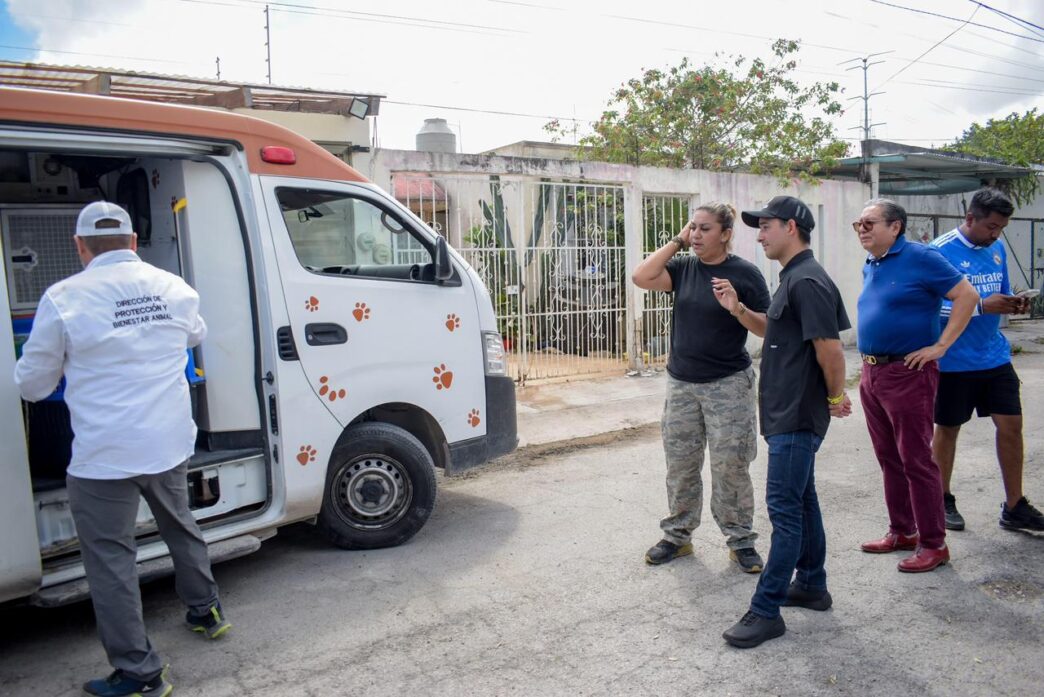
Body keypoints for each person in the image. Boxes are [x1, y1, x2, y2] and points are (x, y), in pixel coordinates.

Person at [14, 201, 230, 697]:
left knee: (111, 559)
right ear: (134, 242)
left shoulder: (63, 299)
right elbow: (194, 334)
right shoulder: (174, 287)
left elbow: (32, 385)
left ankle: (139, 672)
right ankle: (206, 611)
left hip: (104, 456)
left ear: (80, 246)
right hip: (168, 441)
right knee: (179, 523)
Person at [721, 196, 851, 649]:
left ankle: (766, 609)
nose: (759, 236)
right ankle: (812, 585)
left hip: (797, 415)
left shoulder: (807, 280)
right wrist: (738, 308)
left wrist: (835, 397)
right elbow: (774, 330)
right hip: (786, 413)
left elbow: (830, 350)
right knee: (802, 500)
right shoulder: (793, 277)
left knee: (784, 511)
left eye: (766, 226)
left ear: (791, 227)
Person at [632, 203, 771, 573]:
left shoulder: (745, 273)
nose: (695, 234)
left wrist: (737, 308)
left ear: (725, 234)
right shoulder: (684, 268)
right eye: (692, 227)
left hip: (728, 385)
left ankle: (740, 540)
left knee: (731, 466)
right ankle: (678, 536)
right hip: (682, 385)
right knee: (681, 464)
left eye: (704, 229)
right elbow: (642, 277)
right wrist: (678, 241)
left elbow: (768, 328)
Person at [854, 199, 979, 574]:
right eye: (858, 223)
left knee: (916, 460)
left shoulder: (922, 257)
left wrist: (940, 346)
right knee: (888, 457)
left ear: (895, 227)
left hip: (908, 372)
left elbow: (967, 296)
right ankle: (902, 531)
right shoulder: (873, 262)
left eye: (870, 223)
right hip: (873, 372)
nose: (862, 229)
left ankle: (934, 543)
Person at [931, 188, 1044, 532]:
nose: (996, 235)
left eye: (1001, 228)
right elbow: (929, 307)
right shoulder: (938, 252)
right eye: (991, 227)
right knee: (948, 429)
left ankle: (1014, 506)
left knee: (1011, 425)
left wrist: (1013, 302)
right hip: (952, 361)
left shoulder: (996, 249)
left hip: (994, 356)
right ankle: (941, 499)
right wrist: (981, 306)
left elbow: (1000, 294)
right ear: (970, 218)